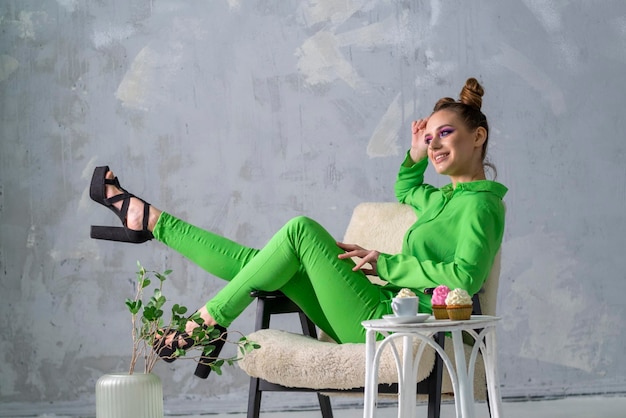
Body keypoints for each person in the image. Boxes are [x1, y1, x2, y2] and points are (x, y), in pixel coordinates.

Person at [89, 77, 507, 379]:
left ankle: (201, 324)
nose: (433, 144)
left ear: (478, 137)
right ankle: (149, 220)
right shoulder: (442, 199)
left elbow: (465, 277)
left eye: (444, 134)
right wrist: (415, 151)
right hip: (379, 308)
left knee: (300, 231)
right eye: (429, 136)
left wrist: (387, 263)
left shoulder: (482, 206)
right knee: (263, 264)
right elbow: (407, 186)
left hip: (399, 325)